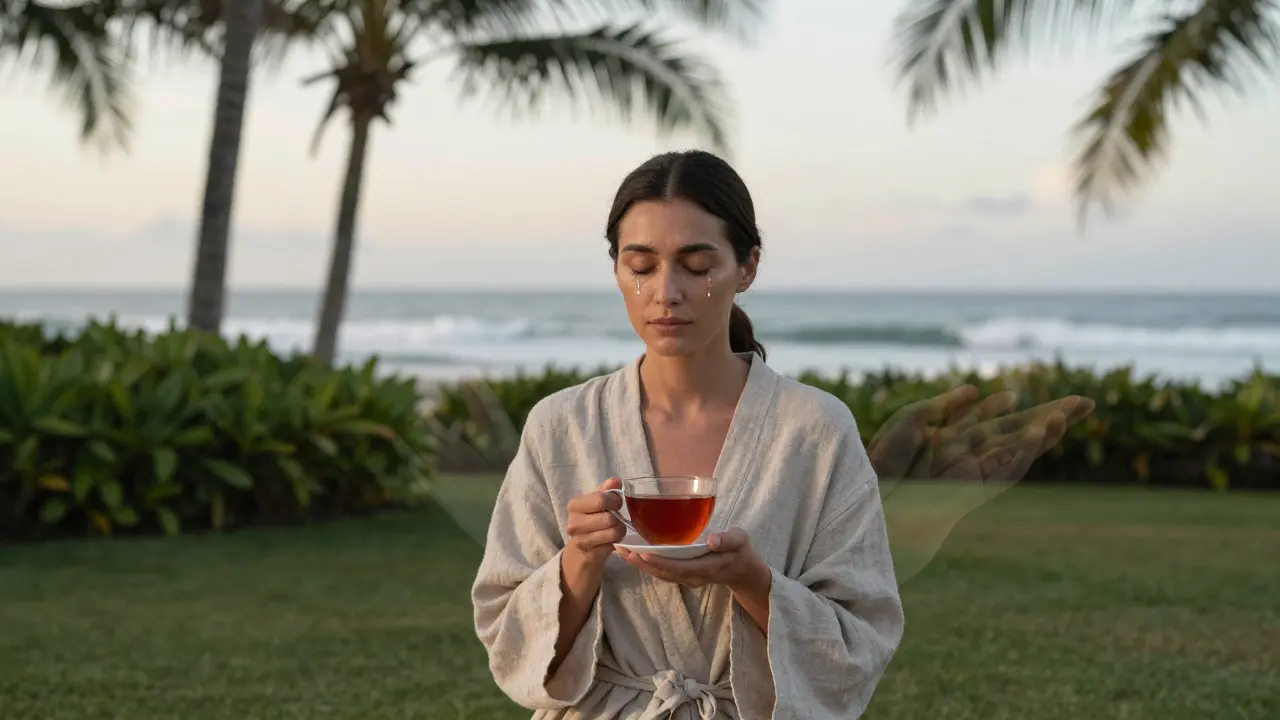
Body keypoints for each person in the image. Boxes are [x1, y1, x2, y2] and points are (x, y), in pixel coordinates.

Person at [471, 150, 905, 719]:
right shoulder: (562, 425)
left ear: (746, 267)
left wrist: (751, 581)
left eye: (698, 266)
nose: (666, 292)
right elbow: (505, 627)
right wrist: (580, 556)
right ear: (617, 270)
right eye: (641, 266)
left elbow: (862, 635)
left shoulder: (815, 429)